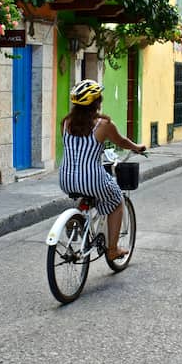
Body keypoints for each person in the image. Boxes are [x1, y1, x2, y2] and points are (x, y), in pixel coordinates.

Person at [59, 79, 146, 261]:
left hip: (66, 178)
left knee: (86, 191)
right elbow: (121, 142)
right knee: (116, 200)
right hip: (92, 178)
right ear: (96, 102)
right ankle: (112, 249)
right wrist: (137, 147)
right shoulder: (103, 125)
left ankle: (78, 218)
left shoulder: (66, 123)